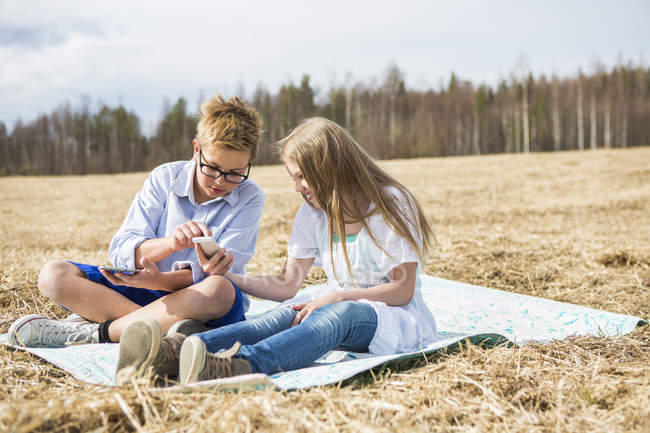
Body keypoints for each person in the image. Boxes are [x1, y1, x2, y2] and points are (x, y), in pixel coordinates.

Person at [115, 117, 438, 385]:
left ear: (329, 168)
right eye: (294, 178)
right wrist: (229, 277)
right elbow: (287, 286)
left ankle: (237, 367)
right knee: (281, 315)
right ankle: (169, 354)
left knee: (337, 315)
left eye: (302, 177)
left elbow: (402, 290)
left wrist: (337, 297)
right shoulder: (314, 212)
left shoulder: (390, 201)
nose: (298, 187)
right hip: (334, 302)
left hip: (391, 317)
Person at [8, 95, 265, 349]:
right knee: (53, 275)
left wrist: (161, 281)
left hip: (198, 300)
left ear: (248, 164)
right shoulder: (164, 178)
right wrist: (171, 243)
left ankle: (101, 333)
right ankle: (165, 331)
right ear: (196, 150)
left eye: (234, 174)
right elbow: (122, 249)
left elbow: (219, 275)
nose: (220, 182)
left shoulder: (250, 197)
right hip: (142, 291)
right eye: (213, 168)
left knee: (220, 289)